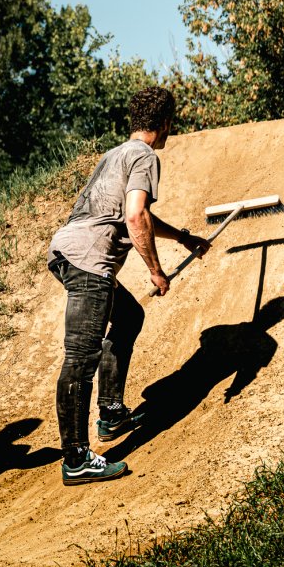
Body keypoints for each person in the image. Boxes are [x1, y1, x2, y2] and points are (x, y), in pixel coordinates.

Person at [46, 86, 212, 485]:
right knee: (80, 358)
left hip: (67, 250)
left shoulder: (115, 154)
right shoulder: (146, 156)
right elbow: (136, 216)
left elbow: (128, 214)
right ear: (165, 123)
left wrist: (183, 238)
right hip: (90, 262)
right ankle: (76, 459)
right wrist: (156, 270)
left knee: (129, 316)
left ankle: (110, 412)